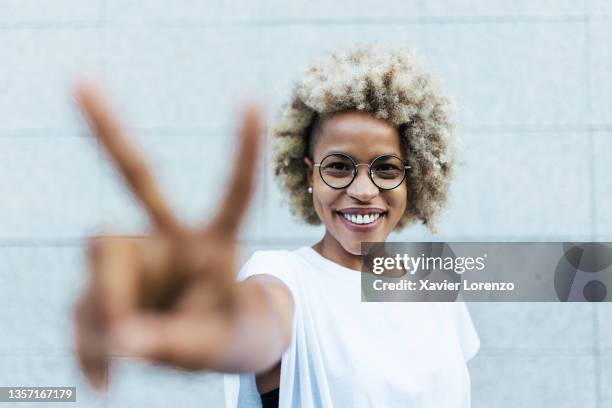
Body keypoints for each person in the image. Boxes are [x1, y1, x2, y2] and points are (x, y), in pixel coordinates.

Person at [73, 44, 479, 408]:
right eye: (338, 167)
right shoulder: (284, 278)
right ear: (309, 176)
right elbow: (257, 326)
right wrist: (220, 326)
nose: (362, 190)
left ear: (414, 176)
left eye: (386, 168)